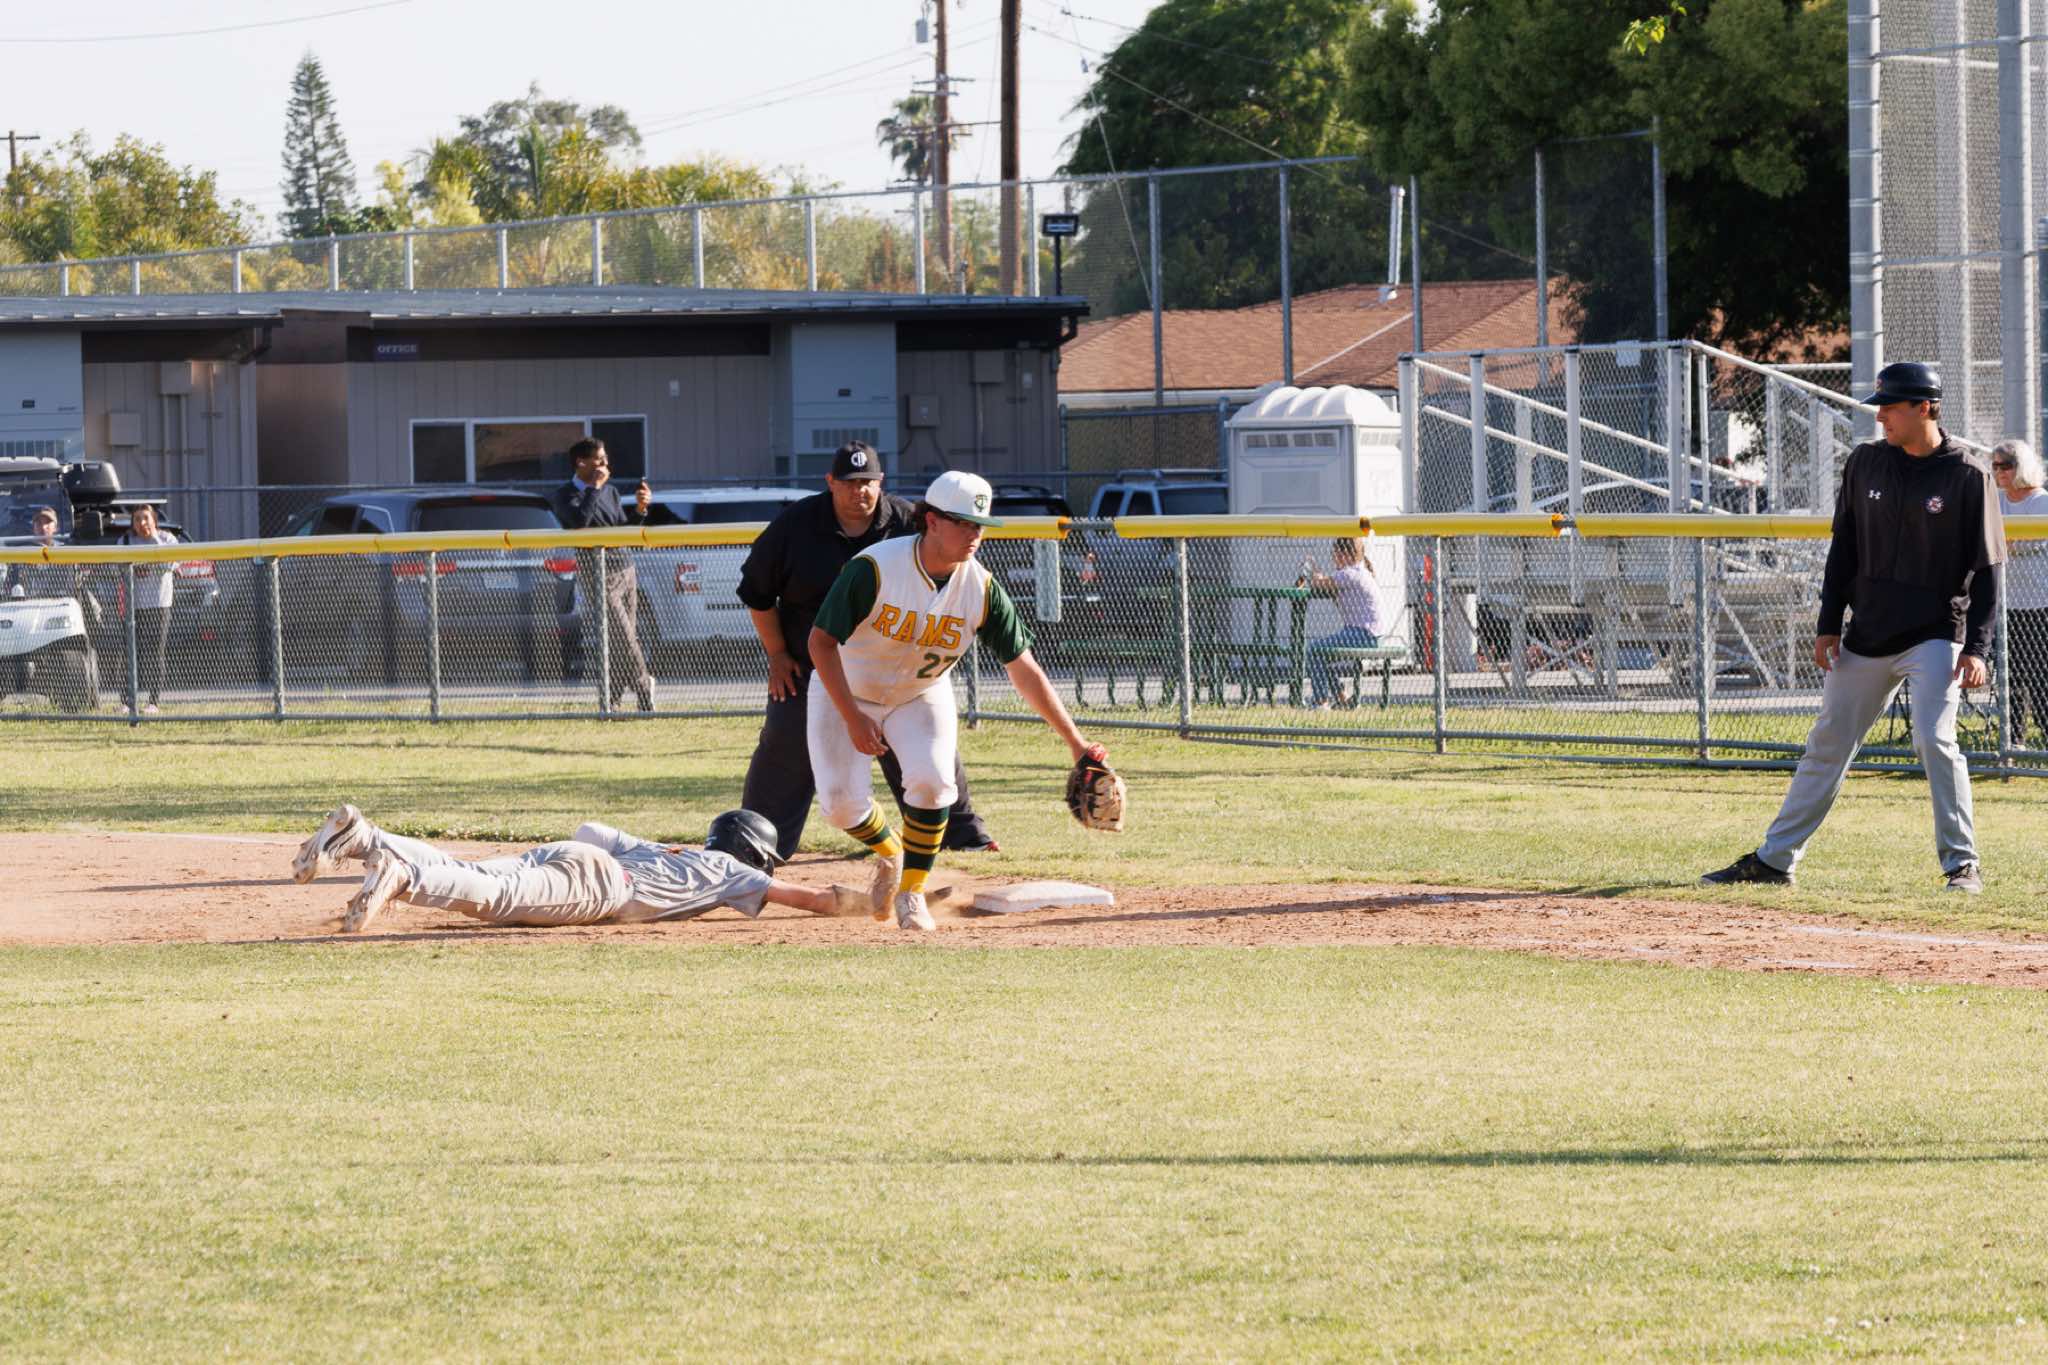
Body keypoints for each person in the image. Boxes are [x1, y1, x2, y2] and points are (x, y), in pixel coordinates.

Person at [1702, 361, 2003, 894]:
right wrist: (1828, 624)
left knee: (1934, 740)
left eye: (1890, 406)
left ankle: (1962, 866)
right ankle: (1775, 861)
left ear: (1925, 407)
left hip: (1936, 633)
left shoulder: (1966, 474)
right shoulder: (1866, 462)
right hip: (1867, 633)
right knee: (1828, 743)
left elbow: (1988, 569)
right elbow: (1844, 548)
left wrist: (1977, 648)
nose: (1880, 416)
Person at [808, 470, 1104, 931]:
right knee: (840, 806)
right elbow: (820, 643)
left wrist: (1076, 743)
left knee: (932, 782)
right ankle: (891, 852)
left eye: (980, 525)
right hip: (845, 688)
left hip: (918, 694)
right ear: (932, 521)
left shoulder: (980, 588)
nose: (975, 534)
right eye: (964, 523)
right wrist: (851, 717)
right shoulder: (875, 568)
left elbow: (1024, 669)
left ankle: (912, 893)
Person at [735, 440, 996, 861]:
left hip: (897, 665)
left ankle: (962, 838)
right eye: (850, 482)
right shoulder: (796, 525)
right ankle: (755, 846)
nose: (860, 491)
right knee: (786, 747)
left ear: (881, 482)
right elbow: (757, 593)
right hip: (813, 663)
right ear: (830, 482)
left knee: (929, 754)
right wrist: (777, 654)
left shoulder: (908, 523)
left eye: (868, 482)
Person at [292, 802, 878, 933]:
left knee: (477, 873)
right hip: (603, 885)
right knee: (493, 898)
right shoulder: (734, 873)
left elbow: (590, 832)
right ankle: (403, 876)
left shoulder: (672, 850)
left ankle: (365, 837)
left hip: (575, 857)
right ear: (751, 851)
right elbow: (815, 899)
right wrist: (879, 897)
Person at [551, 437, 655, 712]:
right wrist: (594, 487)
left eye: (605, 458)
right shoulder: (565, 495)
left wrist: (640, 509)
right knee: (622, 636)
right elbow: (579, 522)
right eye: (599, 459)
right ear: (581, 463)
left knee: (622, 638)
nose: (605, 464)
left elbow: (623, 529)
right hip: (598, 573)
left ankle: (612, 699)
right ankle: (645, 690)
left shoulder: (611, 492)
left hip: (625, 568)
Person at [6, 505, 101, 703]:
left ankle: (78, 697)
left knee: (74, 647)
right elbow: (12, 586)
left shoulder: (66, 553)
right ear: (33, 527)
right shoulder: (20, 555)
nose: (43, 527)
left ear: (55, 527)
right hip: (27, 612)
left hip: (58, 611)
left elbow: (77, 583)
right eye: (39, 523)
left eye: (48, 523)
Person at [1992, 438, 2048, 748]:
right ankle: (2013, 739)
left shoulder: (2041, 501)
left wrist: (2001, 543)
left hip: (2039, 604)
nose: (2000, 472)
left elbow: (2027, 541)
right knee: (2010, 675)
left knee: (2039, 673)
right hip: (2005, 605)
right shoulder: (1996, 501)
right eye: (1996, 466)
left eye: (2007, 465)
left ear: (2022, 466)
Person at [1301, 536, 1386, 709]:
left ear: (1344, 555)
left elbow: (1320, 584)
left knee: (1314, 650)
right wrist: (1321, 579)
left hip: (1363, 634)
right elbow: (1331, 586)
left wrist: (1316, 576)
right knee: (1323, 653)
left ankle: (1321, 702)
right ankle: (1341, 697)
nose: (1334, 559)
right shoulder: (1359, 571)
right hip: (1368, 634)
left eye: (1335, 555)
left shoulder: (1350, 573)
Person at [118, 503, 178, 715]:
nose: (142, 523)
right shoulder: (126, 541)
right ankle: (127, 701)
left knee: (155, 653)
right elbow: (119, 569)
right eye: (137, 519)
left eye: (146, 518)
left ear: (154, 520)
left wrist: (153, 539)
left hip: (159, 605)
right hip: (133, 606)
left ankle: (153, 702)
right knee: (130, 653)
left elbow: (169, 566)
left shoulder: (167, 539)